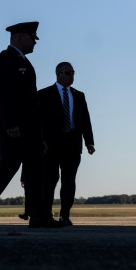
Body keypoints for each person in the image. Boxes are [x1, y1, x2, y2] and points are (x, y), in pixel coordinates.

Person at [0, 22, 63, 229]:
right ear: (19, 38)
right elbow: (4, 94)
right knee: (8, 167)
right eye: (31, 38)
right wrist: (10, 124)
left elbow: (31, 103)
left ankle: (38, 217)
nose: (34, 42)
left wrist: (40, 135)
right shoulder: (5, 59)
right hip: (14, 128)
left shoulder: (24, 62)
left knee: (35, 171)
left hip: (30, 130)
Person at [38, 62, 95, 226]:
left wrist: (89, 142)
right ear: (58, 74)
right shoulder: (43, 94)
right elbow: (37, 120)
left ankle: (65, 214)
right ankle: (46, 214)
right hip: (50, 145)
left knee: (69, 181)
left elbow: (85, 120)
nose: (72, 76)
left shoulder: (79, 95)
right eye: (68, 72)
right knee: (49, 180)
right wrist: (40, 140)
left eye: (73, 72)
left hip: (72, 144)